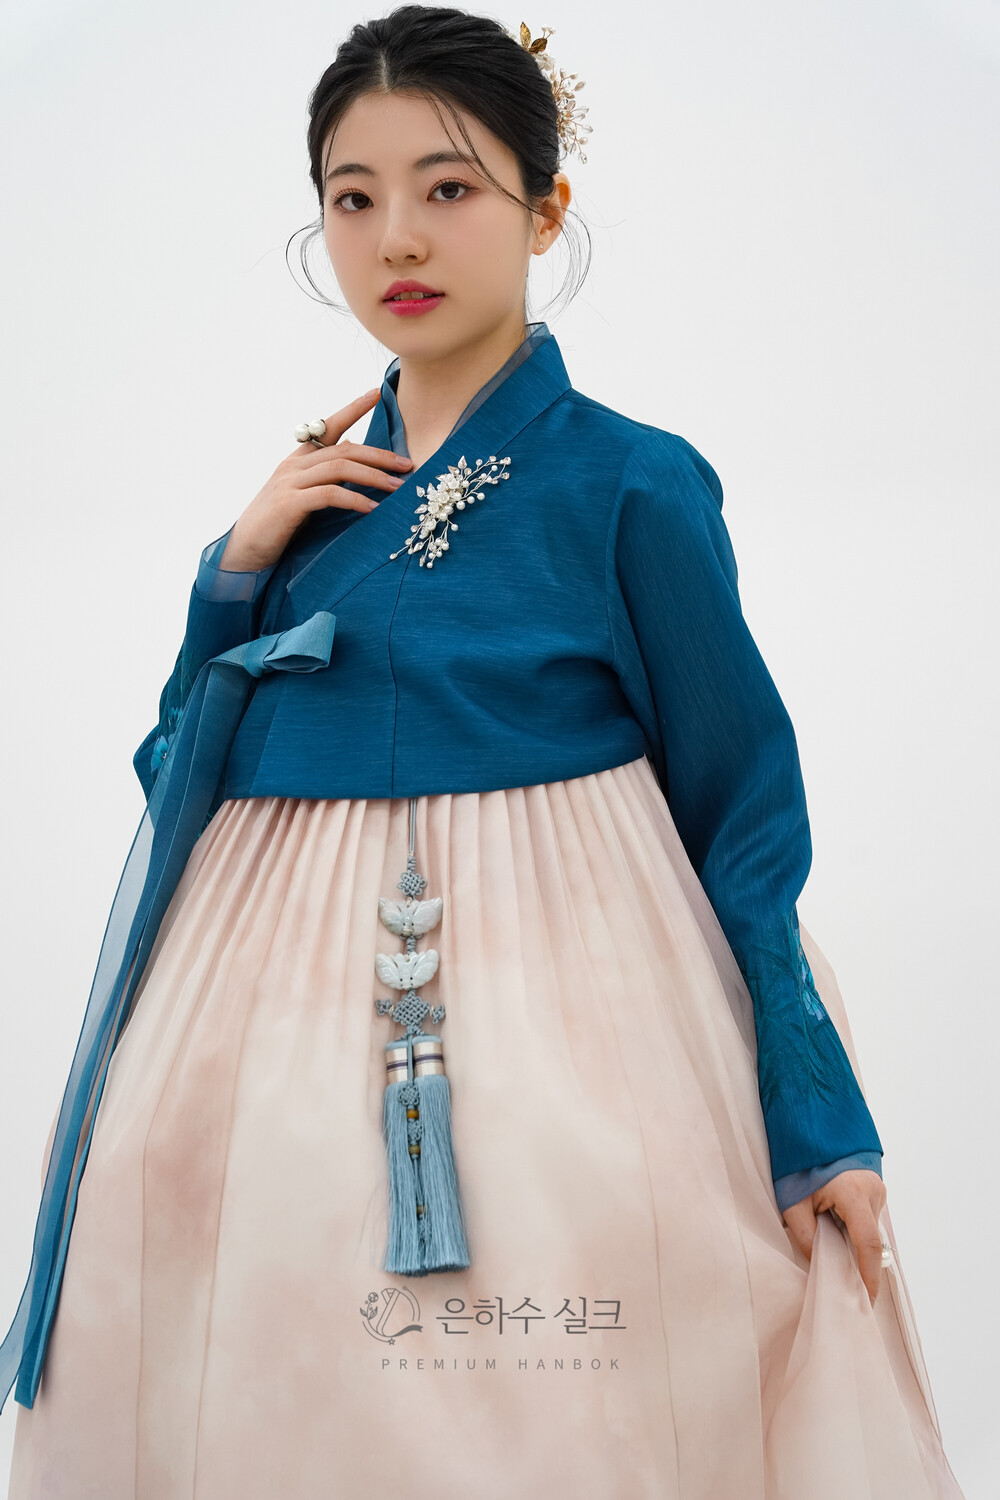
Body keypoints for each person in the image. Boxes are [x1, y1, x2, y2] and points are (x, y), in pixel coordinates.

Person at [1, 6, 967, 1496]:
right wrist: (235, 571)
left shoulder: (634, 482)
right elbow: (172, 777)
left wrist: (817, 1119)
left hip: (569, 1008)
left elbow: (743, 804)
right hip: (261, 1042)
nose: (398, 235)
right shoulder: (303, 510)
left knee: (547, 1360)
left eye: (448, 187)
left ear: (544, 208)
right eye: (353, 197)